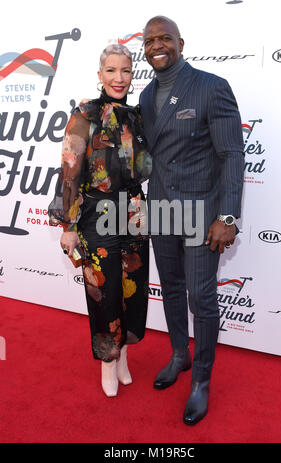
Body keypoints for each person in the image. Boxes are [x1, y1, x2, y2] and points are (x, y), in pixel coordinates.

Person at [139, 16, 244, 424]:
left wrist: (228, 215)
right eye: (150, 41)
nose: (157, 45)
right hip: (162, 209)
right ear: (144, 48)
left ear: (180, 43)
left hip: (204, 213)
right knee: (170, 288)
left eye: (165, 38)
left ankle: (201, 380)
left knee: (201, 298)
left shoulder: (210, 86)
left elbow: (232, 155)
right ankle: (180, 355)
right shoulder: (146, 97)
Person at [48, 44, 152, 398]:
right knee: (104, 293)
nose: (119, 78)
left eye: (125, 70)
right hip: (97, 213)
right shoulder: (85, 115)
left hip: (136, 212)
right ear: (100, 75)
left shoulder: (139, 116)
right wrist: (68, 225)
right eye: (111, 70)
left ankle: (123, 355)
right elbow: (70, 173)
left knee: (133, 290)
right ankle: (108, 361)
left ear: (132, 74)